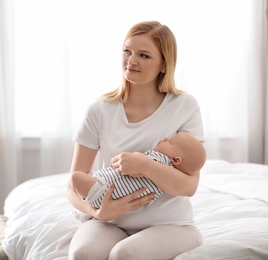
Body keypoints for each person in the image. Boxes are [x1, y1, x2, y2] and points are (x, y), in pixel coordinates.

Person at [67, 21, 205, 260]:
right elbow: (72, 185)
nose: (131, 60)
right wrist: (97, 212)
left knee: (126, 254)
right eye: (127, 51)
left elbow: (189, 186)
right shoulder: (99, 110)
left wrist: (145, 165)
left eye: (143, 55)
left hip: (168, 224)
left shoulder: (184, 106)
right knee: (82, 254)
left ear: (163, 64)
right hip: (109, 221)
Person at [71, 132, 206, 209]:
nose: (165, 138)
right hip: (105, 197)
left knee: (75, 178)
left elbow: (190, 188)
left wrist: (142, 163)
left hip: (103, 190)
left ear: (176, 160)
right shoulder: (167, 179)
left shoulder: (159, 161)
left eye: (170, 142)